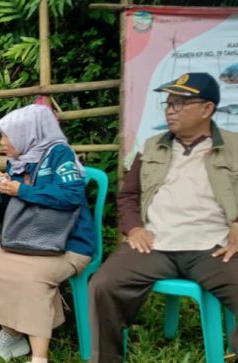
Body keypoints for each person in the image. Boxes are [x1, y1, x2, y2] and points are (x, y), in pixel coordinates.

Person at [89, 72, 238, 362]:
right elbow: (128, 196)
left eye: (180, 103)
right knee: (103, 285)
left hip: (213, 247)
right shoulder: (151, 146)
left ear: (207, 109)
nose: (171, 109)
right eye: (168, 103)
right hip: (155, 244)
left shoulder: (234, 147)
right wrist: (133, 229)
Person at [0, 104, 95, 363]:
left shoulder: (59, 154)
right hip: (26, 241)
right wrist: (3, 189)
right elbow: (15, 212)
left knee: (31, 277)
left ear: (26, 133)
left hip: (70, 244)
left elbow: (72, 196)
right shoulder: (17, 162)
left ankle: (39, 356)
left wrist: (21, 190)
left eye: (6, 135)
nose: (1, 141)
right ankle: (12, 334)